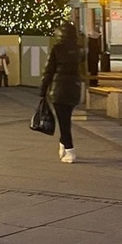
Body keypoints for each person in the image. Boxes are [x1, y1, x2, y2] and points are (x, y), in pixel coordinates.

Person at [40, 22, 87, 163]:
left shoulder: (57, 49)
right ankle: (62, 144)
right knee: (65, 119)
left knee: (63, 120)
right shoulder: (79, 50)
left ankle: (70, 149)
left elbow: (48, 70)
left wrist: (43, 89)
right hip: (74, 88)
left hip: (59, 88)